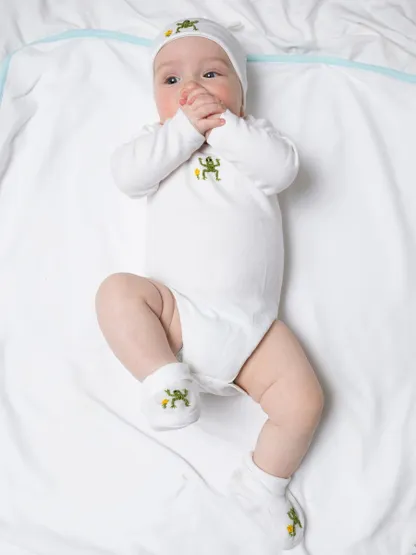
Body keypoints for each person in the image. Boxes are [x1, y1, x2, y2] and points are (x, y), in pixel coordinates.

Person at [95, 17, 324, 549]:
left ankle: (263, 485)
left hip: (254, 331)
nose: (192, 88)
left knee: (305, 403)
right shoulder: (157, 142)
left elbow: (282, 171)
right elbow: (127, 176)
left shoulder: (254, 138)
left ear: (241, 89)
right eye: (171, 80)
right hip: (176, 312)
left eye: (212, 74)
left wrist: (224, 127)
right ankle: (163, 379)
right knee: (117, 293)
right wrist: (182, 131)